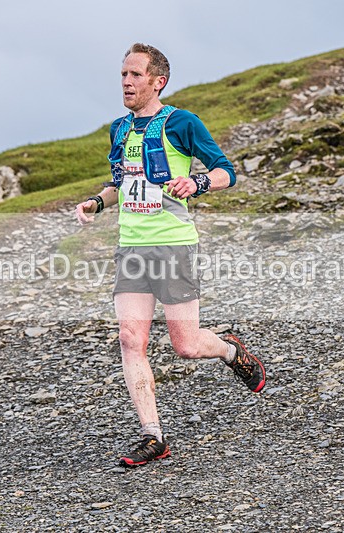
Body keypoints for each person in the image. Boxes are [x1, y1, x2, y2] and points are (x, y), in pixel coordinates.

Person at [75, 43, 266, 467]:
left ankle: (230, 350)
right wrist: (97, 203)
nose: (126, 82)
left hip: (173, 244)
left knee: (186, 345)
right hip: (132, 248)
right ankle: (153, 436)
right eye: (123, 74)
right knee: (130, 339)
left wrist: (196, 184)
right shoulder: (119, 129)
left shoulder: (182, 123)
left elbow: (225, 171)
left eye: (135, 75)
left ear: (157, 81)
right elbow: (119, 183)